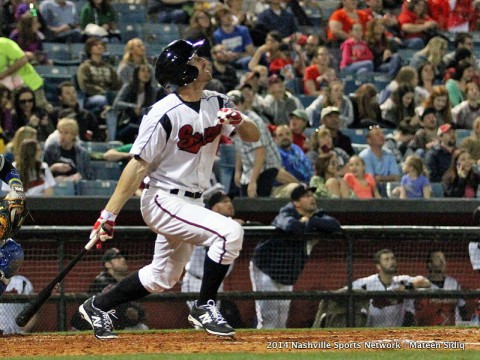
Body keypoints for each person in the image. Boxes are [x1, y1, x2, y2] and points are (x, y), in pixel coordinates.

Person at [77, 39, 260, 339]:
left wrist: (238, 119)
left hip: (193, 202)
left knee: (162, 277)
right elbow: (137, 166)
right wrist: (108, 215)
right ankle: (204, 307)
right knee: (230, 233)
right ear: (185, 72)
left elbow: (251, 137)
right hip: (163, 199)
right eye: (196, 59)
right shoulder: (163, 112)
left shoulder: (217, 101)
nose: (203, 60)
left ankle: (97, 306)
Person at [249, 184, 341, 328]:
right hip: (266, 267)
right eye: (306, 196)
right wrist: (309, 224)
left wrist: (310, 221)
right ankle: (262, 349)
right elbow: (292, 227)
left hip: (287, 272)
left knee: (282, 318)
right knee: (269, 317)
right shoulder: (285, 212)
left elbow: (335, 225)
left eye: (312, 195)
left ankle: (277, 348)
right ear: (296, 202)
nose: (312, 199)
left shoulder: (316, 215)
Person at [181, 191, 245, 310]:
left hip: (216, 281)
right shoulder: (205, 222)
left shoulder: (231, 225)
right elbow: (212, 248)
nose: (229, 204)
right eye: (224, 201)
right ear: (214, 208)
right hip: (196, 280)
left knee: (212, 318)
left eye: (230, 201)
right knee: (203, 319)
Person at [71, 247, 148, 331]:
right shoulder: (101, 281)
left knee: (142, 328)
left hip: (116, 324)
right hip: (90, 327)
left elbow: (139, 311)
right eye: (117, 257)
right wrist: (129, 310)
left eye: (123, 257)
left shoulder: (125, 281)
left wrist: (135, 312)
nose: (123, 259)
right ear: (107, 264)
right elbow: (116, 307)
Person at [350, 249, 431, 327]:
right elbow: (343, 292)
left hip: (395, 333)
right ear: (378, 266)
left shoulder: (401, 281)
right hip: (372, 332)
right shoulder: (367, 283)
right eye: (386, 259)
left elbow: (425, 282)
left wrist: (406, 287)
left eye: (392, 258)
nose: (391, 262)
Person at [415, 251, 467, 326]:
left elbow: (462, 307)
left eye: (444, 259)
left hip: (453, 329)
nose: (443, 262)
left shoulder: (453, 283)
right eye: (438, 258)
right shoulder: (421, 284)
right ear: (429, 264)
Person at [76, 37, 122, 117]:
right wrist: (102, 91)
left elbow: (117, 83)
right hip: (91, 97)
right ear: (89, 48)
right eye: (96, 45)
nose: (99, 46)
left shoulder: (109, 67)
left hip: (109, 95)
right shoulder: (84, 67)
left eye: (101, 45)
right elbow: (84, 85)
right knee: (103, 100)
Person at [112, 64, 157, 144]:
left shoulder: (152, 90)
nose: (146, 74)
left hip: (143, 120)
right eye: (143, 71)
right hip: (127, 121)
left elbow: (151, 108)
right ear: (137, 73)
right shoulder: (128, 86)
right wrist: (133, 107)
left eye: (148, 72)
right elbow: (116, 104)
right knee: (135, 128)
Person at [0, 37, 49, 110]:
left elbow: (23, 59)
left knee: (41, 112)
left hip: (30, 84)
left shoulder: (5, 43)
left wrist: (3, 74)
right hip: (10, 91)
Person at [43, 118, 93, 182]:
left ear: (74, 135)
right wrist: (53, 168)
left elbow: (88, 177)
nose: (62, 136)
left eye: (66, 133)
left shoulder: (82, 153)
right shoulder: (51, 149)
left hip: (75, 188)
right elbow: (42, 175)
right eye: (60, 132)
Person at [359, 126, 401, 195]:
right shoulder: (364, 156)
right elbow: (371, 179)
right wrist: (387, 178)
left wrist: (380, 178)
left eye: (382, 134)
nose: (381, 136)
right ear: (369, 140)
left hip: (388, 190)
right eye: (377, 135)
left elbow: (396, 177)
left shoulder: (389, 154)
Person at [212, 5, 255, 70]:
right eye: (224, 16)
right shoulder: (217, 35)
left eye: (229, 14)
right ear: (219, 20)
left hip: (243, 59)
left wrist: (237, 55)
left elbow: (251, 52)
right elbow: (219, 55)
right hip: (227, 62)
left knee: (248, 60)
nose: (228, 17)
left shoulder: (243, 30)